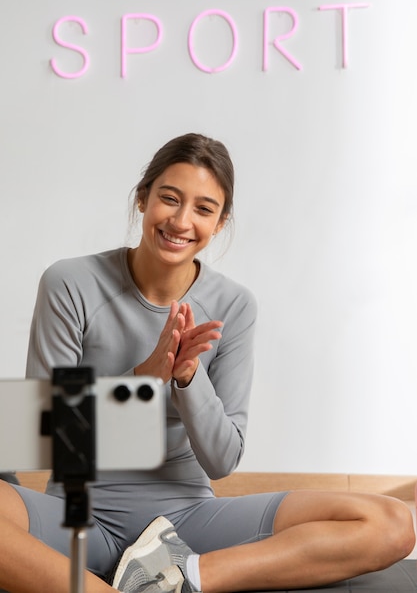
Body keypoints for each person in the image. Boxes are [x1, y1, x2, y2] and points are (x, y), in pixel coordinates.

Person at [0, 132, 414, 593]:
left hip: (186, 522)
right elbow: (46, 438)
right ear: (143, 199)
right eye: (169, 199)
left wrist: (187, 379)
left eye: (203, 208)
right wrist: (143, 380)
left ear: (220, 222)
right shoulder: (70, 283)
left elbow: (222, 460)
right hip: (77, 516)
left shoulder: (234, 305)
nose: (180, 221)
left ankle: (184, 581)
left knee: (392, 523)